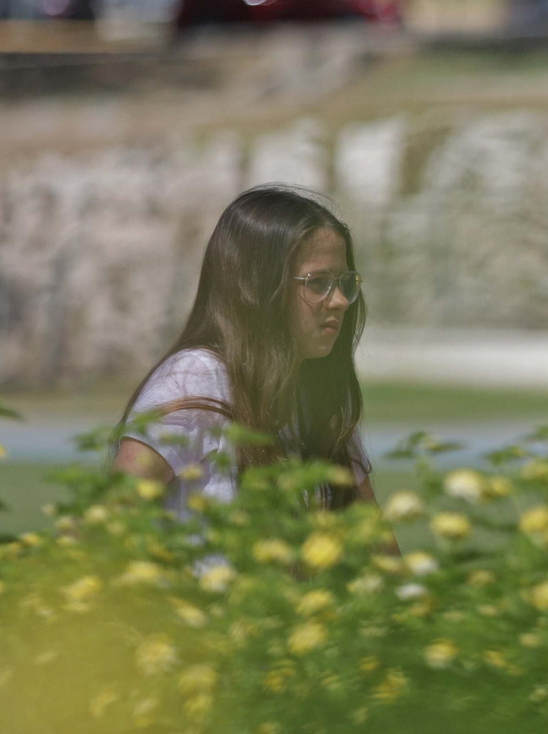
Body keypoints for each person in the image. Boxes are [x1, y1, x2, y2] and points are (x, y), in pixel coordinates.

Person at [111, 186, 377, 511]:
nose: (340, 302)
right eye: (318, 282)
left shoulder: (323, 392)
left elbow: (376, 545)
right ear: (258, 286)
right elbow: (105, 530)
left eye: (346, 283)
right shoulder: (196, 378)